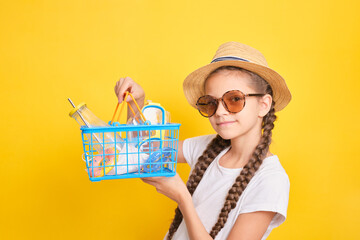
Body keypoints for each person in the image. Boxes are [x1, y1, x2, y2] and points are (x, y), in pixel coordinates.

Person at [114, 42, 291, 240]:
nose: (220, 112)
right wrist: (136, 102)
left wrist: (183, 198)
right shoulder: (208, 147)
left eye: (234, 99)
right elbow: (142, 149)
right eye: (211, 103)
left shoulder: (270, 180)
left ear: (263, 105)